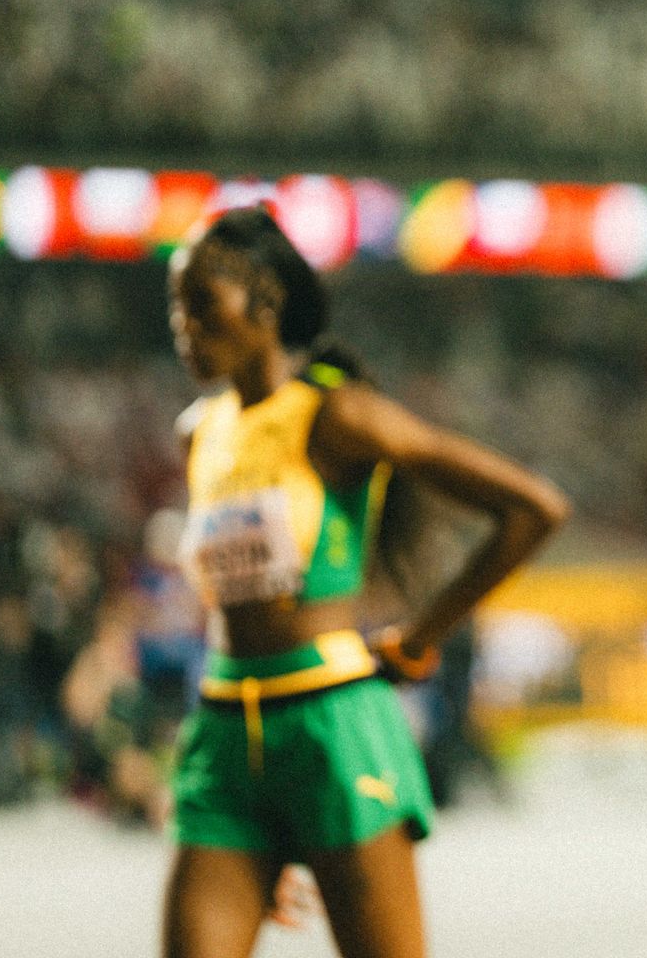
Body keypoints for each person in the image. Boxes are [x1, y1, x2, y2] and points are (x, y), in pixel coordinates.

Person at [162, 207, 570, 958]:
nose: (181, 322)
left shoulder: (339, 415)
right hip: (223, 734)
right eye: (173, 304)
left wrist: (421, 637)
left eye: (197, 300)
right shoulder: (201, 432)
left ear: (266, 304)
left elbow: (531, 510)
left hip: (332, 729)